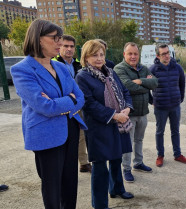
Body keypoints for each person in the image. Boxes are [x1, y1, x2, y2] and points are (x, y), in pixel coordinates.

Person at [10, 19, 87, 208]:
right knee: (52, 188)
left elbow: (81, 97)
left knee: (70, 184)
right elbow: (44, 106)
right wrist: (69, 100)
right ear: (38, 39)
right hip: (46, 134)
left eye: (60, 38)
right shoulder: (22, 69)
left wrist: (59, 102)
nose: (60, 43)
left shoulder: (61, 66)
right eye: (55, 38)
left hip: (70, 128)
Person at [75, 40, 134, 209]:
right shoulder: (82, 77)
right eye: (94, 55)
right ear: (86, 57)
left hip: (118, 124)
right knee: (100, 167)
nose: (99, 58)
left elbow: (124, 91)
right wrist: (114, 115)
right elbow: (89, 103)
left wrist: (127, 109)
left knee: (117, 158)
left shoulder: (110, 72)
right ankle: (100, 204)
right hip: (99, 127)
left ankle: (116, 189)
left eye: (101, 54)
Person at [114, 42, 158, 182]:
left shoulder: (143, 68)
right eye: (130, 53)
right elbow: (128, 87)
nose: (133, 56)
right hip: (128, 114)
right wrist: (146, 84)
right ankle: (126, 168)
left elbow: (155, 82)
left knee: (139, 140)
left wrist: (139, 81)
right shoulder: (119, 69)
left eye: (135, 54)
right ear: (124, 54)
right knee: (128, 142)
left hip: (143, 112)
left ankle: (138, 163)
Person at [53, 34, 92, 173]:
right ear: (59, 47)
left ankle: (83, 162)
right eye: (65, 46)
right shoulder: (53, 64)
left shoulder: (78, 64)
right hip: (61, 106)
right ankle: (62, 165)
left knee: (80, 134)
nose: (69, 49)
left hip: (78, 104)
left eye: (71, 46)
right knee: (63, 135)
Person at [149, 43, 186, 167]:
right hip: (160, 107)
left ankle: (177, 154)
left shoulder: (177, 68)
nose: (167, 56)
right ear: (158, 55)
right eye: (164, 54)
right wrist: (153, 101)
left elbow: (182, 84)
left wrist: (180, 98)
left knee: (175, 131)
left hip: (175, 106)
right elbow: (146, 87)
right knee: (159, 132)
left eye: (168, 53)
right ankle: (160, 155)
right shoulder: (153, 69)